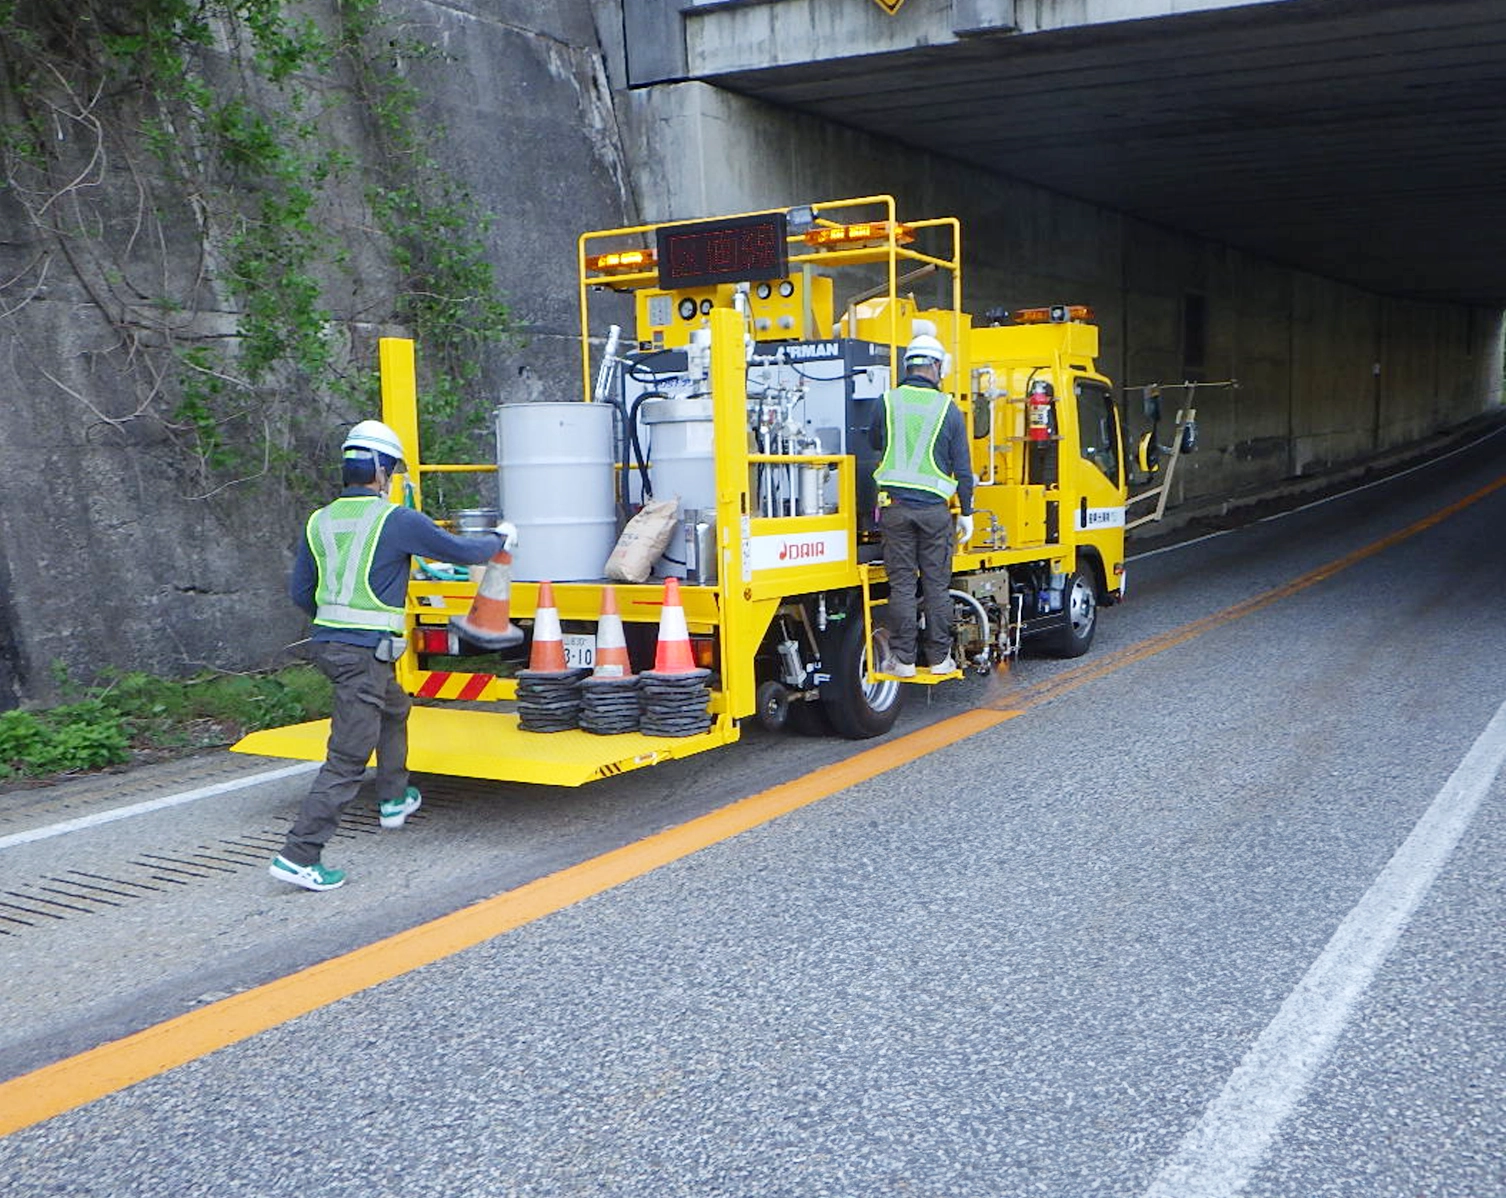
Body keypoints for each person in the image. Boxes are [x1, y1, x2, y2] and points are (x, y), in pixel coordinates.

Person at [269, 420, 516, 892]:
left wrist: (339, 620)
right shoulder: (394, 520)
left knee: (395, 707)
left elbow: (301, 591)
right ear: (382, 472)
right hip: (361, 652)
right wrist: (500, 541)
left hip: (330, 644)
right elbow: (462, 551)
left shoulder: (320, 520)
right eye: (392, 471)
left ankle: (393, 797)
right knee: (346, 756)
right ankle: (299, 854)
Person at [869, 333, 975, 677]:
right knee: (935, 586)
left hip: (895, 509)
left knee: (901, 585)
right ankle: (940, 659)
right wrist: (968, 512)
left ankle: (902, 661)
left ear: (908, 365)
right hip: (934, 512)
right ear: (936, 366)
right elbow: (962, 467)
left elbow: (874, 441)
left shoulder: (886, 401)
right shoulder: (948, 408)